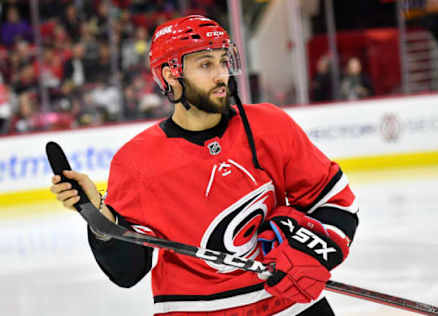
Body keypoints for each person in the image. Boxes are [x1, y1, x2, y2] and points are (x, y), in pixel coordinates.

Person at [49, 15, 359, 315]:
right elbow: (127, 272)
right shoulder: (137, 162)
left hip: (289, 305)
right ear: (171, 75)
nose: (221, 74)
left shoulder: (269, 126)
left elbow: (335, 203)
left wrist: (309, 253)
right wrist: (98, 216)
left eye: (223, 61)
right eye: (205, 64)